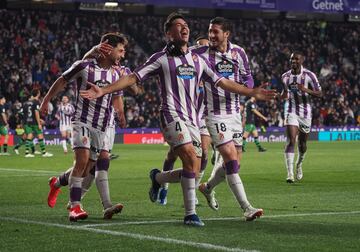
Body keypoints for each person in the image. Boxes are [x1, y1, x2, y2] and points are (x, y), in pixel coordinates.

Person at [80, 13, 276, 226]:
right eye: (178, 26)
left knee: (193, 167)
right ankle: (190, 214)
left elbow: (223, 82)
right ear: (168, 33)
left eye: (186, 25)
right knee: (192, 159)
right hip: (171, 116)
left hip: (193, 120)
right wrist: (104, 90)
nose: (184, 28)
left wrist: (252, 92)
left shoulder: (197, 60)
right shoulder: (160, 58)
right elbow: (132, 77)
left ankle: (158, 178)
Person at [41, 33, 129, 222]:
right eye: (120, 50)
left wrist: (120, 113)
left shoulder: (116, 73)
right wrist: (45, 101)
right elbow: (62, 81)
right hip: (81, 121)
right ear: (107, 48)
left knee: (88, 167)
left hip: (101, 127)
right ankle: (75, 207)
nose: (122, 55)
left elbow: (119, 95)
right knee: (81, 161)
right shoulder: (84, 66)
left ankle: (57, 182)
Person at [183, 17, 265, 221]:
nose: (211, 35)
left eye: (215, 32)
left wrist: (248, 88)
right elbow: (178, 56)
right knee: (229, 157)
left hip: (235, 114)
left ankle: (207, 187)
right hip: (213, 113)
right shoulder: (199, 53)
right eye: (210, 31)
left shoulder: (239, 52)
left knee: (234, 164)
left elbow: (248, 77)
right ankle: (247, 207)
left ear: (226, 34)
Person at [279, 51, 322, 183]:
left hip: (305, 114)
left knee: (302, 145)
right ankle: (289, 173)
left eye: (296, 59)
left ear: (301, 60)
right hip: (291, 111)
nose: (293, 61)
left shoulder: (309, 75)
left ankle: (299, 164)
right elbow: (285, 93)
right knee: (291, 140)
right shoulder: (285, 76)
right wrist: (278, 96)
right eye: (292, 59)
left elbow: (320, 93)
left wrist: (306, 90)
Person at [23, 89, 53, 158]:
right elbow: (36, 112)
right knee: (40, 135)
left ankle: (27, 153)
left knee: (29, 135)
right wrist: (39, 123)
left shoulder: (27, 103)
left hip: (28, 121)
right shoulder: (36, 102)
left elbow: (26, 113)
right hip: (34, 122)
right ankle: (44, 153)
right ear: (38, 94)